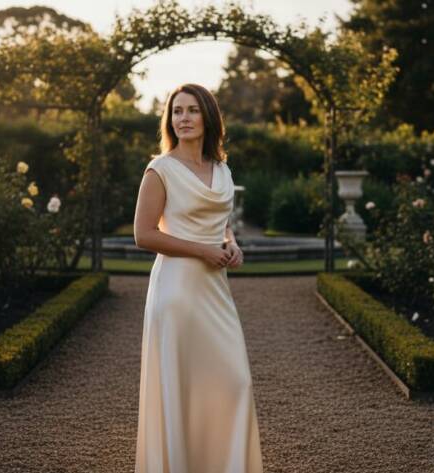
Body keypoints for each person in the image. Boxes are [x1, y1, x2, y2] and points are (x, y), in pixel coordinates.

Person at [133, 83, 264, 472]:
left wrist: (230, 242)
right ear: (169, 120)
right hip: (175, 291)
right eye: (177, 112)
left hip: (214, 291)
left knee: (234, 382)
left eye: (192, 110)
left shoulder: (222, 169)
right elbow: (144, 235)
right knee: (181, 389)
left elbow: (221, 224)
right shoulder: (160, 170)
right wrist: (204, 251)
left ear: (208, 117)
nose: (184, 118)